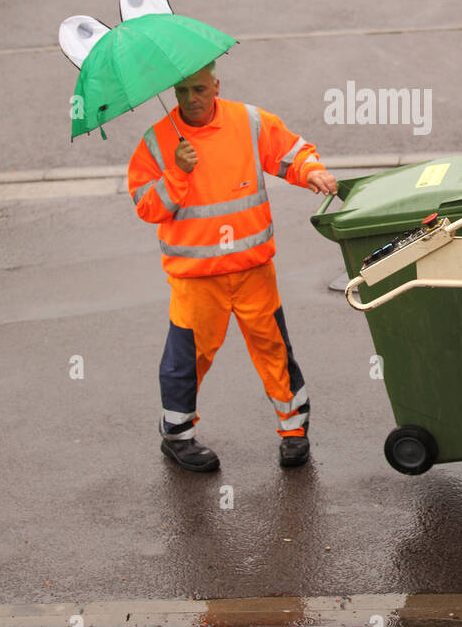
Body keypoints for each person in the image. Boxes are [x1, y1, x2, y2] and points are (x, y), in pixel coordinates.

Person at [127, 62, 337, 472]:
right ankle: (177, 436)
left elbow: (290, 153)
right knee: (188, 358)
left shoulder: (249, 122)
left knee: (273, 349)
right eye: (183, 91)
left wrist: (311, 171)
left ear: (216, 85)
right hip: (196, 279)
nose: (192, 99)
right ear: (173, 92)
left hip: (252, 269)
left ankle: (294, 431)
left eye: (200, 89)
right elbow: (147, 206)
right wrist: (177, 173)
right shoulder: (158, 141)